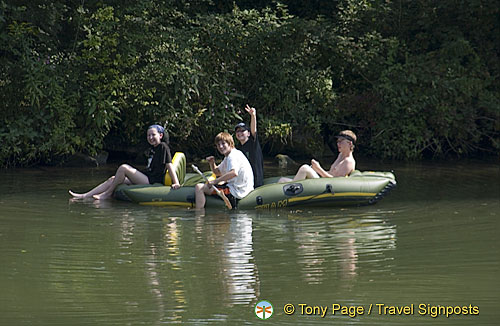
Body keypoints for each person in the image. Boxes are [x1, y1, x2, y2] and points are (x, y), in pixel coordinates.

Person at [69, 124, 180, 200]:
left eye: (153, 135)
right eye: (148, 135)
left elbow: (169, 164)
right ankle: (84, 196)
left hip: (152, 180)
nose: (150, 137)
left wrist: (176, 182)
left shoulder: (163, 147)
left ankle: (107, 194)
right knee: (113, 179)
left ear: (160, 135)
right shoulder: (154, 148)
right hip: (147, 176)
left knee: (124, 168)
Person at [195, 132, 254, 209]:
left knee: (199, 187)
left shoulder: (232, 156)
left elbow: (234, 173)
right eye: (218, 145)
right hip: (240, 188)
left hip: (237, 191)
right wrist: (212, 163)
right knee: (218, 182)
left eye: (223, 143)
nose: (221, 146)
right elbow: (217, 172)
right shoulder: (230, 155)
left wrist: (215, 181)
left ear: (230, 144)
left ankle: (199, 214)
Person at [278, 130, 357, 183]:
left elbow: (336, 181)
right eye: (337, 141)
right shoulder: (341, 155)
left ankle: (290, 191)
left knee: (305, 168)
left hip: (328, 185)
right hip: (324, 181)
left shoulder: (348, 162)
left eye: (341, 141)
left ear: (349, 144)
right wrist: (315, 169)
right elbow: (331, 173)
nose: (338, 144)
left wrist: (318, 169)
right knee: (282, 180)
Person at [234, 104, 264, 187]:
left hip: (256, 182)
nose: (240, 133)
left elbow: (254, 130)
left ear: (248, 133)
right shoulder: (237, 149)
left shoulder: (253, 143)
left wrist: (253, 116)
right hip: (244, 182)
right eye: (237, 131)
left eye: (242, 131)